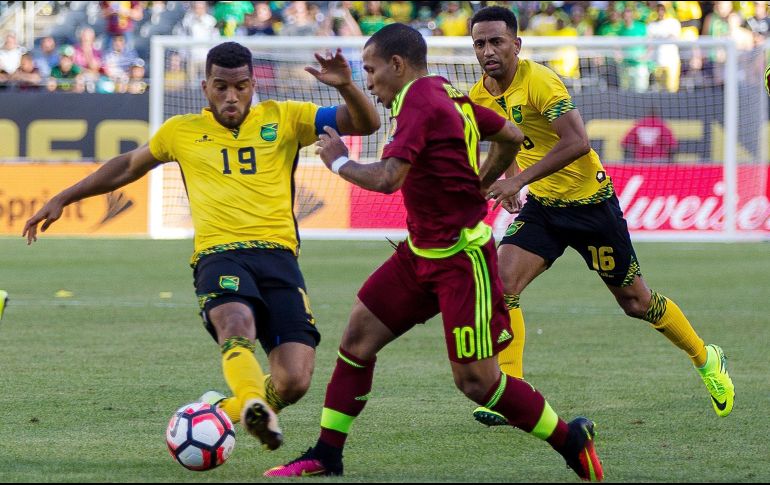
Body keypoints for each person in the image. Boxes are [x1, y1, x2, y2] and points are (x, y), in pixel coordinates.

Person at [263, 23, 604, 481]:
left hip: (461, 262)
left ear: (397, 65)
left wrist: (338, 160)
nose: (369, 83)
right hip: (419, 253)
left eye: (371, 70)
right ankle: (327, 454)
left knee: (477, 383)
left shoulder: (420, 106)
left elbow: (388, 179)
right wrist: (481, 184)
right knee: (357, 339)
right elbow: (508, 133)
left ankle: (569, 440)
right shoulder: (440, 90)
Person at [23, 41, 380, 451]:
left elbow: (365, 123)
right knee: (235, 325)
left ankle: (221, 409)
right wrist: (64, 197)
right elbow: (127, 165)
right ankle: (250, 404)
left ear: (253, 84)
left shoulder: (286, 118)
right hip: (218, 254)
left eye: (241, 87)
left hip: (279, 257)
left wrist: (348, 87)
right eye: (221, 87)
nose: (232, 97)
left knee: (294, 380)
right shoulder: (182, 131)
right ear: (205, 85)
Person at [465, 6, 734, 427]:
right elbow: (506, 138)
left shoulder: (540, 81)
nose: (488, 50)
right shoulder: (481, 94)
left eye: (496, 41)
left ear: (516, 44)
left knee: (636, 302)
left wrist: (518, 182)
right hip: (546, 210)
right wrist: (512, 175)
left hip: (592, 207)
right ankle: (510, 391)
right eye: (479, 43)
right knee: (503, 285)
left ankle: (706, 358)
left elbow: (577, 141)